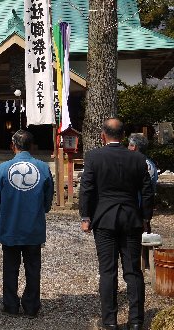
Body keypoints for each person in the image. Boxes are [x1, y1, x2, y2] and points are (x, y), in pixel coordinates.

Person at [79, 118, 154, 330]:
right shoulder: (138, 159)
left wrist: (86, 217)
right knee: (133, 271)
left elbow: (87, 188)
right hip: (131, 218)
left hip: (104, 219)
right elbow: (147, 191)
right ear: (122, 136)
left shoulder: (94, 157)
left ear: (103, 134)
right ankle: (136, 320)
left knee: (108, 271)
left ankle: (110, 321)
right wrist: (146, 218)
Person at [0, 129, 54, 318]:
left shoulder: (2, 168)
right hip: (33, 225)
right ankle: (31, 306)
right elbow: (47, 201)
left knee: (10, 267)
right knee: (33, 268)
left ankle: (10, 304)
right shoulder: (43, 168)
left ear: (13, 146)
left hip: (10, 224)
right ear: (32, 146)